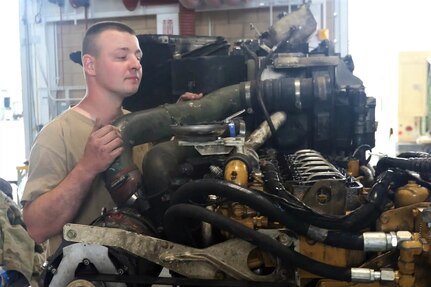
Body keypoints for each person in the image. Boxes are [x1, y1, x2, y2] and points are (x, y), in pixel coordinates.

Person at [21, 21, 202, 258]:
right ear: (90, 64)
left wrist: (178, 129)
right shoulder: (57, 135)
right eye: (121, 56)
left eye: (138, 57)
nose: (135, 65)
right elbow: (36, 228)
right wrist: (87, 167)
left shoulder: (138, 128)